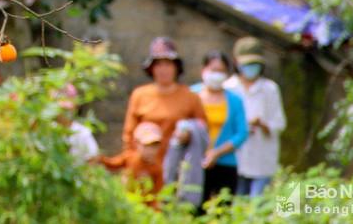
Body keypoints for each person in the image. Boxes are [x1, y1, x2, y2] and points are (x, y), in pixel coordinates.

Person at [122, 37, 206, 167]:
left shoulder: (190, 97)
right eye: (158, 65)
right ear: (151, 68)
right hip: (146, 167)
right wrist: (131, 162)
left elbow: (202, 128)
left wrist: (188, 135)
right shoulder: (140, 95)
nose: (163, 69)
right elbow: (129, 134)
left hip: (178, 164)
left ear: (176, 67)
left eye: (168, 64)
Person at [224, 37, 286, 197]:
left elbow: (279, 123)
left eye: (254, 63)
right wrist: (243, 128)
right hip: (235, 158)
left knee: (257, 205)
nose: (251, 68)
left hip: (262, 158)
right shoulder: (228, 88)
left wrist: (263, 125)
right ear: (237, 63)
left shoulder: (270, 89)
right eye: (247, 64)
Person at [191, 51, 248, 206]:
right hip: (196, 162)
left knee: (222, 210)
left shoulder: (235, 100)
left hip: (226, 163)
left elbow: (242, 132)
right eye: (213, 70)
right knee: (195, 208)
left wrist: (217, 153)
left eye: (221, 71)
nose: (216, 75)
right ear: (203, 70)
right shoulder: (192, 95)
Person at [99, 121, 164, 204]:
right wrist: (100, 159)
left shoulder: (157, 168)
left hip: (143, 204)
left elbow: (158, 192)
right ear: (137, 143)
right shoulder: (129, 157)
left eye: (154, 146)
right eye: (147, 146)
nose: (150, 150)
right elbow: (112, 164)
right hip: (125, 199)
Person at [55, 83, 99, 164]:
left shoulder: (82, 133)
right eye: (62, 109)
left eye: (67, 110)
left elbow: (93, 157)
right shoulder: (49, 130)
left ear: (76, 108)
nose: (64, 113)